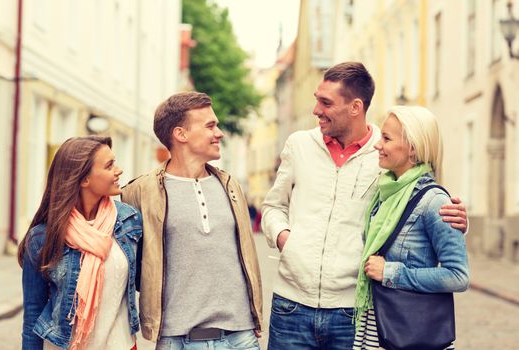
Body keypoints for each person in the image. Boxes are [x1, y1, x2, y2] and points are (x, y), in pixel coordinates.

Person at [261, 62, 468, 350]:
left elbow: (416, 197)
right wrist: (286, 239)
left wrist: (455, 218)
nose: (316, 110)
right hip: (292, 305)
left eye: (326, 102)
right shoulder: (299, 145)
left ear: (355, 106)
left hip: (352, 310)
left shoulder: (385, 157)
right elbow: (272, 206)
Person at [121, 91, 263, 350]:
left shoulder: (231, 187)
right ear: (180, 134)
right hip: (176, 340)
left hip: (240, 338)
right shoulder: (139, 192)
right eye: (210, 125)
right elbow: (127, 268)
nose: (219, 133)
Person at [353, 106, 469, 349]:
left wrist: (392, 273)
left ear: (413, 148)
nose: (377, 145)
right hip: (377, 327)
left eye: (386, 138)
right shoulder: (384, 192)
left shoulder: (434, 201)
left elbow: (458, 276)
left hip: (411, 333)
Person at [19, 136, 143, 350]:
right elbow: (32, 312)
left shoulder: (129, 221)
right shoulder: (42, 238)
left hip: (120, 344)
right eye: (109, 165)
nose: (119, 170)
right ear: (84, 179)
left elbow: (145, 280)